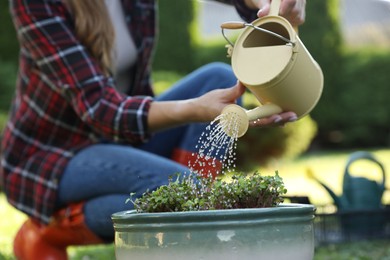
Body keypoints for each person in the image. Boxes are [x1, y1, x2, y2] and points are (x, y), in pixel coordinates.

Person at [0, 0, 306, 259]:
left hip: (125, 138)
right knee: (182, 189)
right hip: (51, 157)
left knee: (219, 77)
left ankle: (191, 232)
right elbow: (100, 108)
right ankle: (46, 230)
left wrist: (263, 3)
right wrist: (195, 108)